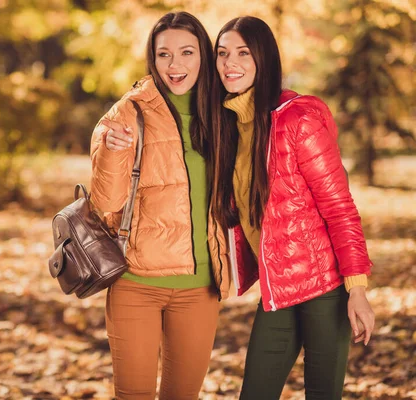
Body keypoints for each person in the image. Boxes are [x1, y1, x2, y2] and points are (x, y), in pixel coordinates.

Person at [211, 16, 376, 400]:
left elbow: (339, 207)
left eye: (242, 53)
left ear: (263, 59)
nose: (229, 63)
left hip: (326, 288)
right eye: (222, 54)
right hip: (278, 290)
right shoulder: (230, 123)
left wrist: (358, 289)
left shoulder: (298, 119)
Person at [89, 11, 231, 400]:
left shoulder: (224, 112)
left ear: (203, 54)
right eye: (164, 54)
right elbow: (104, 203)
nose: (176, 65)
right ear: (152, 58)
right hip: (136, 283)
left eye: (186, 52)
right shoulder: (128, 111)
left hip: (200, 289)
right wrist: (111, 152)